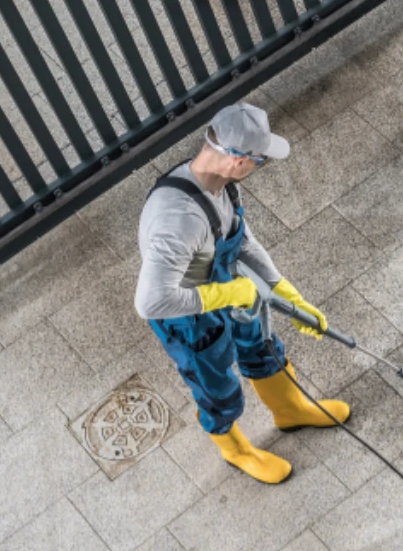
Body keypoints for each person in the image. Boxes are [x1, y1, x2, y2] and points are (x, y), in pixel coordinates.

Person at [133, 103, 347, 484]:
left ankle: (291, 409)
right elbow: (150, 302)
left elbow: (239, 238)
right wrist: (226, 295)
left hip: (228, 288)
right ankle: (237, 451)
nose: (260, 167)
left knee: (261, 344)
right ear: (238, 161)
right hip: (189, 314)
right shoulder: (178, 219)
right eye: (260, 161)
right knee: (216, 387)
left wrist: (285, 291)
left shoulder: (216, 184)